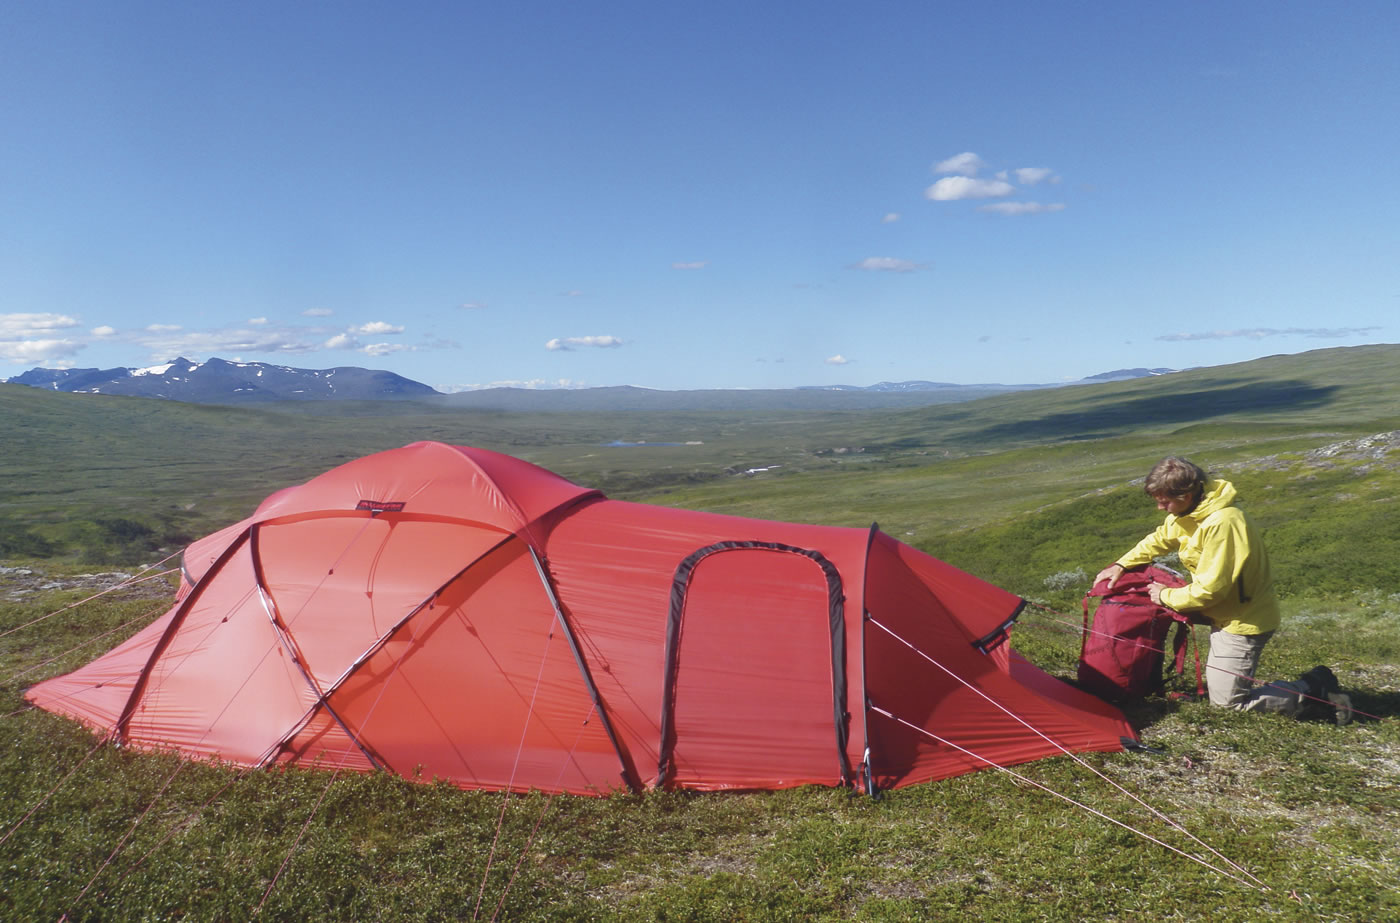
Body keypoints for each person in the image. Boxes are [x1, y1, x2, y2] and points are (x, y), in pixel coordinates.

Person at [1094, 456, 1352, 724]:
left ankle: (1313, 689)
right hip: (1221, 611)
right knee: (1223, 694)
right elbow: (1159, 539)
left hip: (1243, 620)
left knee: (1228, 705)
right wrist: (1122, 564)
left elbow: (1211, 590)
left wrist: (1165, 595)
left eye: (1165, 501)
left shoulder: (1223, 523)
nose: (1160, 507)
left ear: (1187, 494)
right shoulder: (1188, 512)